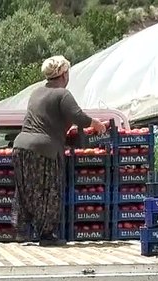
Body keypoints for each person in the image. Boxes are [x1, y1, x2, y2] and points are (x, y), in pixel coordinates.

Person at [12, 55, 107, 246]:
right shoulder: (63, 94)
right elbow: (77, 116)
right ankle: (47, 235)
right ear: (64, 74)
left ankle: (21, 230)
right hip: (44, 149)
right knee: (49, 190)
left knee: (25, 189)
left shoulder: (36, 93)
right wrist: (95, 124)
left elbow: (48, 118)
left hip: (20, 147)